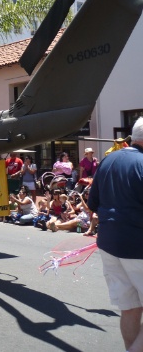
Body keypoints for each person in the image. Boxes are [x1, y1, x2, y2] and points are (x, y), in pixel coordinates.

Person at [87, 117, 143, 351]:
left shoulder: (108, 160)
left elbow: (92, 203)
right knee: (130, 308)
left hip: (109, 243)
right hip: (137, 246)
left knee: (129, 308)